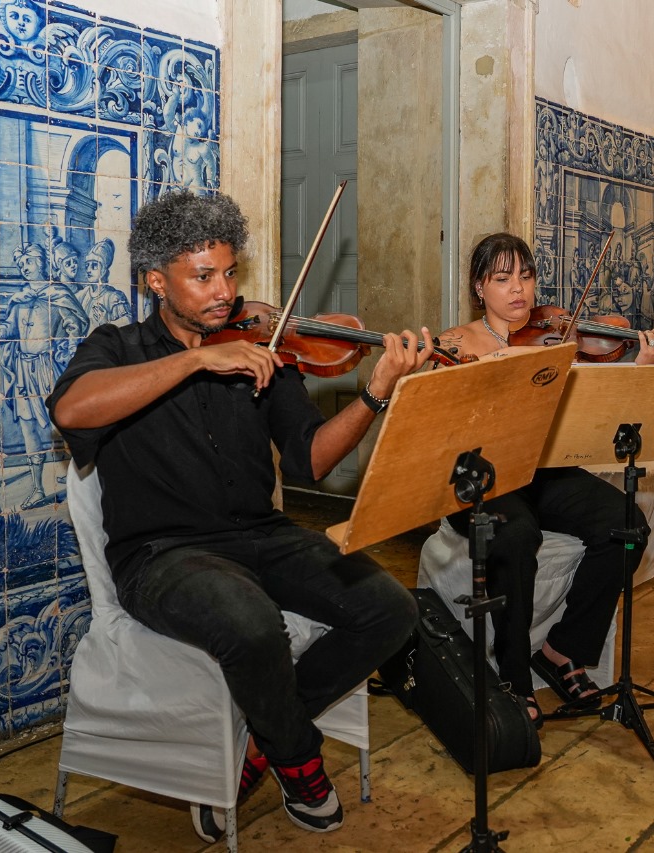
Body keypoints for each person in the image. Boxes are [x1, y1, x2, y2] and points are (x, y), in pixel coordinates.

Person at [46, 190, 428, 841]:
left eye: (229, 273)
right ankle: (299, 760)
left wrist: (375, 392)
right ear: (156, 280)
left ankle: (267, 737)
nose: (225, 291)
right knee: (251, 621)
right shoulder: (118, 345)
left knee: (392, 607)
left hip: (263, 536)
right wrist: (196, 357)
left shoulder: (261, 346)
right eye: (204, 277)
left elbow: (311, 459)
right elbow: (72, 410)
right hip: (160, 556)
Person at [434, 232, 654, 727]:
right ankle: (514, 677)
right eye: (502, 279)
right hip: (490, 476)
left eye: (526, 276)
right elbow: (438, 423)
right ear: (480, 287)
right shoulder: (456, 343)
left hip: (546, 469)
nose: (518, 289)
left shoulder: (558, 334)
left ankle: (565, 648)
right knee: (518, 534)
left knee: (626, 524)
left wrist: (641, 365)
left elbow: (604, 413)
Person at [0, 242, 88, 509]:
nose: (24, 268)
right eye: (20, 264)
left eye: (28, 262)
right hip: (23, 369)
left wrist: (68, 336)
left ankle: (76, 479)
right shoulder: (18, 299)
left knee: (61, 422)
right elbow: (7, 329)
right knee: (28, 425)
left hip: (49, 367)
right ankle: (36, 487)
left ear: (42, 263)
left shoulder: (58, 294)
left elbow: (76, 323)